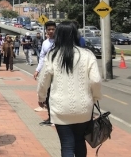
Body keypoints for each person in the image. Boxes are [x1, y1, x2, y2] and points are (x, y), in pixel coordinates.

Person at [37, 21, 102, 157]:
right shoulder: (87, 54)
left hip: (60, 107)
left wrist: (41, 98)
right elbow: (96, 80)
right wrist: (95, 97)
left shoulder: (53, 55)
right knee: (79, 141)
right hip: (84, 106)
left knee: (66, 144)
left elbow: (43, 81)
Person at [33, 21, 56, 119]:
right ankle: (50, 116)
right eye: (49, 29)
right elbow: (42, 57)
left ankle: (55, 117)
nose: (51, 31)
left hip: (59, 73)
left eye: (53, 29)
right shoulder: (45, 43)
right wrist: (37, 70)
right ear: (46, 31)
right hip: (47, 72)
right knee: (48, 92)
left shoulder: (60, 41)